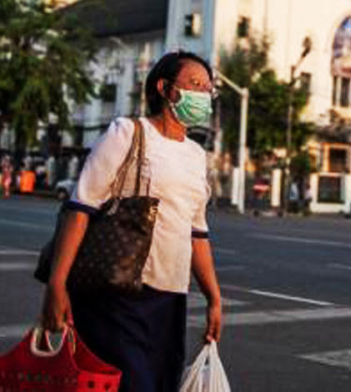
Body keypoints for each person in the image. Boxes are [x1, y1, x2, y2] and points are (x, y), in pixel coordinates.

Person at [41, 51, 223, 392]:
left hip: (170, 297)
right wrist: (57, 283)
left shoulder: (196, 156)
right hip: (118, 290)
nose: (203, 96)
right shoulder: (127, 132)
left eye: (208, 89)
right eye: (195, 85)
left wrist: (213, 297)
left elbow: (197, 232)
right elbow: (80, 206)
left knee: (160, 383)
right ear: (166, 89)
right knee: (131, 384)